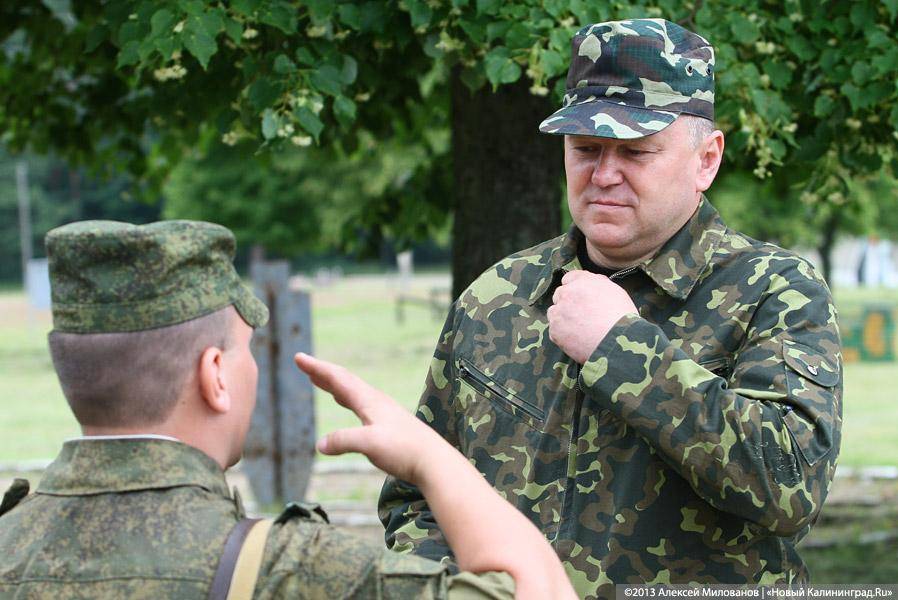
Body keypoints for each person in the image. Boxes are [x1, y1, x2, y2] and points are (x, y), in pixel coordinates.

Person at [379, 18, 842, 598]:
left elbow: (790, 487)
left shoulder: (774, 291)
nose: (603, 175)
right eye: (585, 149)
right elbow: (419, 492)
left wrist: (621, 347)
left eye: (635, 152)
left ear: (706, 159)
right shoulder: (498, 295)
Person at [0, 220, 576, 599]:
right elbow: (535, 589)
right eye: (244, 349)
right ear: (215, 376)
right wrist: (431, 457)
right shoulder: (295, 570)